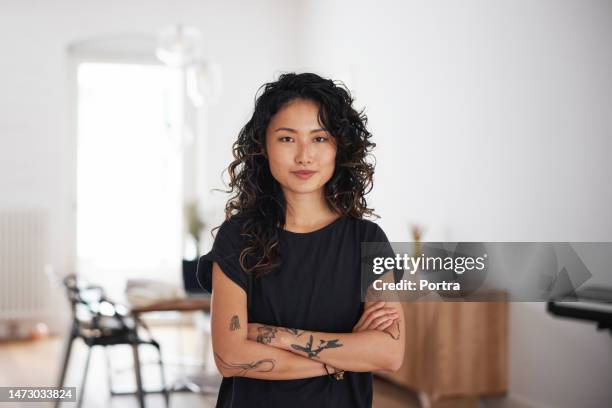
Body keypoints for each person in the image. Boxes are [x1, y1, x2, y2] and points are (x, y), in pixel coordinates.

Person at [197, 72, 404, 408]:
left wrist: (272, 336)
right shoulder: (238, 237)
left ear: (340, 146)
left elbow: (389, 352)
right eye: (287, 139)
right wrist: (344, 356)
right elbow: (231, 357)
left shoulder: (369, 240)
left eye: (320, 138)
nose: (305, 155)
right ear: (263, 147)